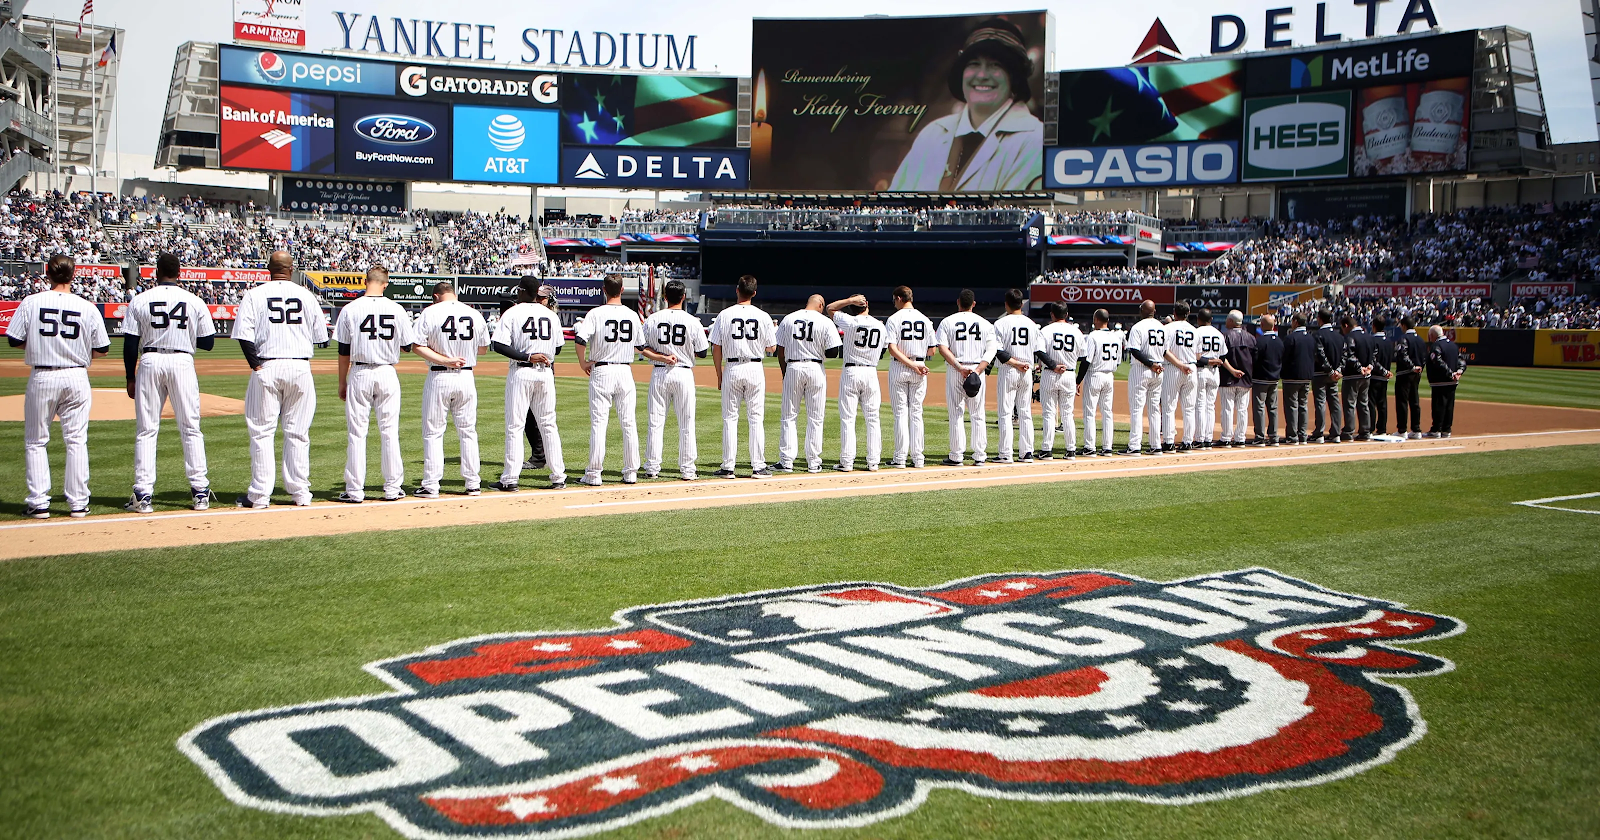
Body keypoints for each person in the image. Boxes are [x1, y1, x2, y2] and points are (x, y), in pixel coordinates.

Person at [7, 254, 109, 519]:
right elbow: (102, 348)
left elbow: (13, 339)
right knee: (76, 440)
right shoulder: (87, 306)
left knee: (36, 440)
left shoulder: (32, 302)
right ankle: (78, 503)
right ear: (73, 275)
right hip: (76, 375)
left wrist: (41, 346)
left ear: (48, 274)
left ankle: (39, 502)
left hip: (43, 375)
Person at [888, 17, 1043, 192]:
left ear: (1014, 77)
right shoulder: (932, 134)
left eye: (995, 65)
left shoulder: (1035, 140)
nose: (982, 75)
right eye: (974, 64)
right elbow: (894, 202)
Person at [121, 251, 216, 513]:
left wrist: (130, 376)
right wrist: (182, 335)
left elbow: (130, 344)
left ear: (156, 272)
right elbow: (208, 342)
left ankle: (143, 494)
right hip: (182, 361)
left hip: (150, 360)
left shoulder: (140, 299)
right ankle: (200, 491)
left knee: (146, 429)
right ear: (179, 274)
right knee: (191, 427)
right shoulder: (194, 300)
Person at [233, 251, 329, 509]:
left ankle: (260, 495)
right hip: (300, 366)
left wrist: (256, 366)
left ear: (269, 269)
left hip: (268, 363)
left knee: (262, 432)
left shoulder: (254, 294)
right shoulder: (306, 295)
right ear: (291, 269)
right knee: (298, 432)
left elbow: (244, 335)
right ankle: (301, 493)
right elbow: (322, 338)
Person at [331, 268, 414, 503]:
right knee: (389, 431)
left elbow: (343, 351)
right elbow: (408, 346)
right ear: (385, 284)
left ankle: (355, 490)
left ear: (365, 282)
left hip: (360, 371)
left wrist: (342, 381)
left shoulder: (350, 309)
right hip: (387, 371)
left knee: (357, 433)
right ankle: (393, 488)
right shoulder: (397, 309)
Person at [411, 282, 488, 498]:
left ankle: (431, 485)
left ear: (436, 296)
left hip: (439, 375)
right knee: (468, 431)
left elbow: (417, 345)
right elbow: (482, 349)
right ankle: (473, 483)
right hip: (466, 375)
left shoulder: (430, 312)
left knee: (433, 432)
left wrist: (446, 358)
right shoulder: (474, 313)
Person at [494, 278, 568, 489]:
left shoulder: (513, 312)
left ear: (523, 291)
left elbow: (498, 345)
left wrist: (527, 355)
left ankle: (510, 479)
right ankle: (558, 477)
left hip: (522, 371)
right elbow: (558, 348)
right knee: (549, 425)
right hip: (546, 373)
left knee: (515, 426)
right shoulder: (550, 315)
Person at [573, 275, 643, 486]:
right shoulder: (632, 314)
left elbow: (580, 339)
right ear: (622, 290)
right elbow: (640, 346)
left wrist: (583, 363)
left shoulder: (596, 313)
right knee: (628, 422)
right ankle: (631, 472)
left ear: (604, 290)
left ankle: (594, 474)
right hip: (624, 371)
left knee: (599, 423)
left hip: (602, 370)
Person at [640, 279, 709, 480]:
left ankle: (652, 468)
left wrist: (662, 356)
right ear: (683, 297)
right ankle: (688, 469)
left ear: (665, 296)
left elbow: (641, 346)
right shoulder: (692, 320)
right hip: (683, 372)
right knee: (686, 422)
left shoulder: (653, 319)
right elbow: (702, 352)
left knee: (655, 421)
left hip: (660, 372)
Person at [710, 274, 776, 478]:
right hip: (755, 367)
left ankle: (728, 467)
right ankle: (758, 466)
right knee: (756, 418)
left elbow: (716, 347)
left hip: (732, 367)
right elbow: (771, 347)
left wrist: (719, 375)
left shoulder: (724, 314)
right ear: (754, 293)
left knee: (730, 418)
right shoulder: (763, 316)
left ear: (737, 290)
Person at [775, 294, 842, 473]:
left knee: (789, 416)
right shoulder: (825, 321)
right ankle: (813, 462)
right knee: (816, 417)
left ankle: (786, 461)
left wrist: (785, 372)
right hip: (815, 368)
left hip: (793, 366)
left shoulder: (789, 318)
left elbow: (780, 351)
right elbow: (834, 352)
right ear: (820, 305)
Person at [936, 288, 999, 466]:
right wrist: (977, 370)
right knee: (978, 414)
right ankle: (980, 455)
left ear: (958, 302)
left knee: (956, 413)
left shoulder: (947, 321)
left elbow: (942, 348)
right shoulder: (985, 324)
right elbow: (991, 350)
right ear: (974, 304)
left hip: (957, 369)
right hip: (977, 370)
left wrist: (959, 367)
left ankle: (956, 455)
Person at [884, 285, 941, 468]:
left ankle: (900, 458)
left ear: (899, 298)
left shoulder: (894, 319)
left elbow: (892, 349)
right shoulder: (925, 319)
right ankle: (918, 458)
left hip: (900, 367)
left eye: (894, 299)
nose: (894, 303)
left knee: (900, 413)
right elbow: (932, 350)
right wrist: (917, 362)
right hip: (920, 366)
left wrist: (910, 364)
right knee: (916, 413)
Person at [826, 294, 884, 472]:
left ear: (852, 307)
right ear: (867, 305)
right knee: (873, 418)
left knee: (848, 418)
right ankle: (873, 461)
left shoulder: (850, 321)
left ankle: (847, 462)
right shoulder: (880, 325)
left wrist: (850, 300)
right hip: (871, 371)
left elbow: (830, 308)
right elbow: (883, 350)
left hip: (852, 371)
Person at [1033, 302, 1085, 460]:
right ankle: (1071, 450)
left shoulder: (1046, 330)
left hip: (1050, 373)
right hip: (1069, 374)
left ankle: (1047, 450)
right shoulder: (1076, 332)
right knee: (1068, 414)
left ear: (1052, 314)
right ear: (1066, 314)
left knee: (1049, 413)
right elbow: (1084, 358)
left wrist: (1053, 365)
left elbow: (1039, 352)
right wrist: (1078, 380)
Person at [992, 288, 1037, 463]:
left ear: (1006, 304)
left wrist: (1015, 363)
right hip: (1027, 370)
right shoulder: (1032, 324)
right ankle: (1027, 452)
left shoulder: (1000, 323)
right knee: (1025, 412)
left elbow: (998, 351)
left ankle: (1005, 453)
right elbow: (1038, 350)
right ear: (1022, 304)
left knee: (1005, 412)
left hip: (1009, 370)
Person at [1124, 300, 1166, 455]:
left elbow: (1134, 351)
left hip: (1142, 370)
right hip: (1158, 370)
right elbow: (1165, 350)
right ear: (1154, 311)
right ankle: (1156, 445)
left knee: (1137, 408)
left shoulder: (1138, 327)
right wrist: (1155, 364)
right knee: (1154, 409)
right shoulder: (1162, 327)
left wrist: (1150, 364)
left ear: (1142, 310)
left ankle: (1135, 445)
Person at [1080, 308, 1122, 457]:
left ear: (1096, 320)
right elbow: (1118, 362)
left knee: (1089, 412)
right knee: (1107, 412)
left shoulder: (1093, 336)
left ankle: (1090, 447)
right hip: (1109, 376)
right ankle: (1107, 447)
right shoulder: (1116, 337)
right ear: (1108, 320)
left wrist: (1078, 380)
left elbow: (1087, 361)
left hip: (1095, 375)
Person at [1160, 302, 1199, 453]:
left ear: (1174, 313)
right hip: (1191, 368)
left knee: (1169, 407)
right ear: (1188, 313)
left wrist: (1179, 364)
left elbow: (1164, 351)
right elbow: (1198, 354)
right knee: (1189, 408)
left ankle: (1169, 442)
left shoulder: (1168, 328)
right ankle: (1188, 442)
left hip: (1173, 368)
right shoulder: (1194, 330)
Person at [1193, 308, 1230, 449]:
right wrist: (1214, 361)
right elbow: (1223, 356)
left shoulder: (1197, 332)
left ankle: (1200, 439)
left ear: (1198, 319)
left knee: (1200, 405)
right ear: (1211, 319)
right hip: (1215, 373)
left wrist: (1208, 360)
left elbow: (1194, 355)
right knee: (1210, 406)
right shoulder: (1219, 334)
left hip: (1200, 371)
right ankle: (1208, 439)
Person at [1216, 310, 1253, 448]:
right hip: (1245, 378)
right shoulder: (1251, 338)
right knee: (1242, 409)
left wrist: (1232, 370)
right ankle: (1240, 438)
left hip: (1228, 378)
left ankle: (1226, 437)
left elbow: (1221, 357)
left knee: (1227, 408)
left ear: (1231, 321)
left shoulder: (1225, 336)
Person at [1424, 325, 1467, 438]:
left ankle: (1436, 429)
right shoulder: (1453, 345)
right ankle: (1446, 429)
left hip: (1440, 381)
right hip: (1452, 382)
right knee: (1449, 406)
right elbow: (1461, 361)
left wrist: (1450, 373)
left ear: (1432, 335)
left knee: (1438, 406)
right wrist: (1459, 371)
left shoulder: (1436, 346)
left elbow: (1437, 361)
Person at [1338, 315, 1375, 441]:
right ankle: (1365, 431)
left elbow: (1350, 355)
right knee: (1363, 403)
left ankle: (1349, 431)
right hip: (1366, 375)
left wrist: (1359, 368)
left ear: (1346, 326)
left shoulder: (1350, 337)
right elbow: (1374, 355)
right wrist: (1369, 367)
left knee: (1350, 403)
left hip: (1352, 375)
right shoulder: (1368, 336)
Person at [1281, 314, 1316, 445]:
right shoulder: (1311, 338)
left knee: (1292, 406)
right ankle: (1302, 434)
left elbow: (1284, 357)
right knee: (1303, 406)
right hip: (1306, 376)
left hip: (1292, 376)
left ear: (1296, 322)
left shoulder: (1290, 338)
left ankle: (1292, 435)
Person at [1250, 313, 1284, 446]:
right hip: (1274, 378)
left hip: (1260, 378)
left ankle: (1260, 436)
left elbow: (1254, 359)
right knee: (1273, 408)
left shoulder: (1259, 341)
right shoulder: (1279, 341)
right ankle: (1274, 435)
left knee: (1259, 408)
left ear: (1262, 325)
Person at [1311, 310, 1343, 444]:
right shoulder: (1339, 336)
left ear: (1319, 319)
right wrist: (1337, 370)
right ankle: (1336, 433)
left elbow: (1320, 354)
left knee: (1320, 402)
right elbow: (1344, 355)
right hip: (1334, 375)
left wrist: (1329, 370)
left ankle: (1319, 433)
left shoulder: (1317, 335)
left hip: (1321, 373)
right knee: (1334, 403)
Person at [1393, 316, 1426, 439]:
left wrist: (1412, 367)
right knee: (1414, 401)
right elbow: (1424, 357)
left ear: (1404, 326)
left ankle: (1402, 430)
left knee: (1402, 401)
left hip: (1405, 373)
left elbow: (1402, 354)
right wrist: (1419, 367)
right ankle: (1416, 429)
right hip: (1417, 374)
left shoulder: (1403, 338)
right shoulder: (1421, 340)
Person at [1370, 317, 1396, 436]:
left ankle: (1370, 428)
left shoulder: (1373, 340)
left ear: (1374, 326)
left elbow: (1373, 360)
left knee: (1371, 403)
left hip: (1374, 376)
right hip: (1384, 378)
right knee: (1382, 404)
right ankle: (1382, 429)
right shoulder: (1389, 342)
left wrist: (1383, 371)